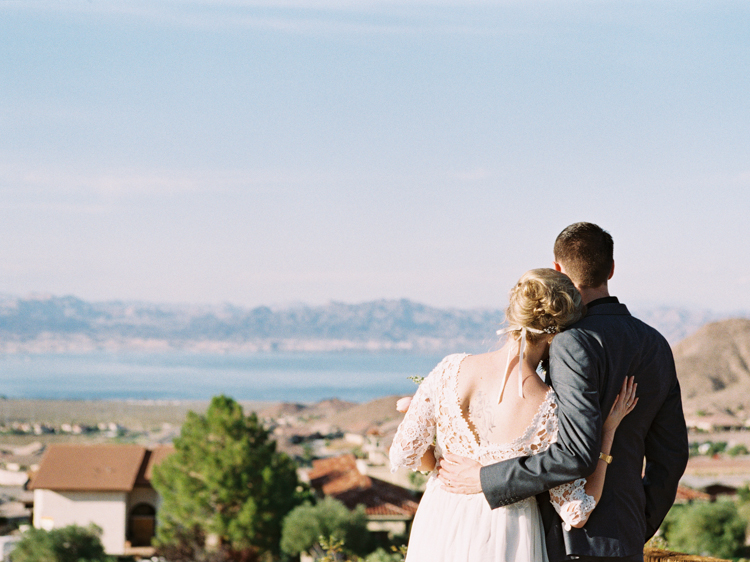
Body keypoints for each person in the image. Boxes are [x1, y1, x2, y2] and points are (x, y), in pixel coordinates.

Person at [437, 222, 689, 561]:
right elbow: (671, 457)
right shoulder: (656, 343)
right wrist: (636, 527)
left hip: (567, 540)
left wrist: (487, 479)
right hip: (623, 538)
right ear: (611, 269)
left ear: (559, 269)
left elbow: (574, 454)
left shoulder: (571, 341)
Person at [390, 268, 638, 562]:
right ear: (559, 332)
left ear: (513, 314)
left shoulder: (449, 369)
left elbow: (403, 454)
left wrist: (438, 460)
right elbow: (577, 512)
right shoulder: (550, 406)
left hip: (441, 519)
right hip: (507, 536)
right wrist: (608, 433)